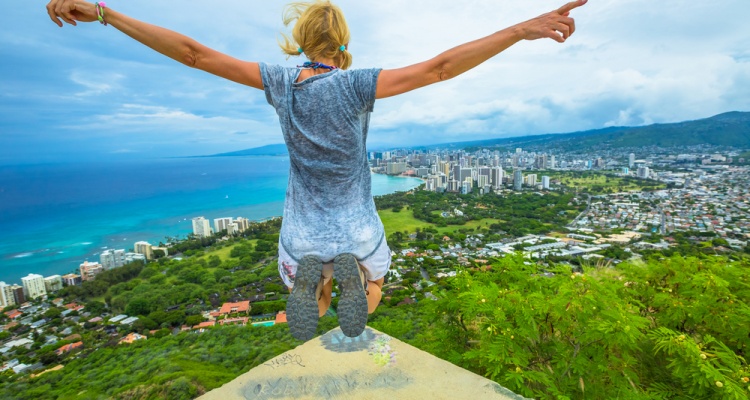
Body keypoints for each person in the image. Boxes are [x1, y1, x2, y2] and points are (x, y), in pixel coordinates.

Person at [46, 0, 586, 342]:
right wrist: (519, 29)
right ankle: (353, 279)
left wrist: (105, 12)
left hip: (301, 230)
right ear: (344, 45)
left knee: (314, 294)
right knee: (372, 289)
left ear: (298, 41)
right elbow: (441, 67)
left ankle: (316, 287)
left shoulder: (280, 82)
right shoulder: (357, 83)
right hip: (357, 227)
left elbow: (193, 55)